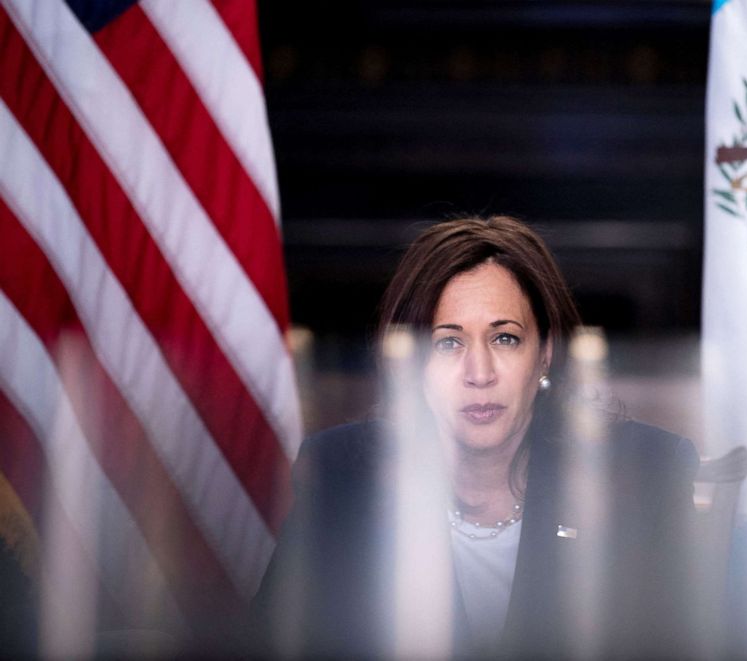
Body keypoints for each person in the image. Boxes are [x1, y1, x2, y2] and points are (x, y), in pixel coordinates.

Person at [253, 215, 699, 658]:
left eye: (505, 338)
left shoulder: (646, 471)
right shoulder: (340, 473)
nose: (479, 374)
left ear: (545, 352)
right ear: (411, 362)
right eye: (449, 343)